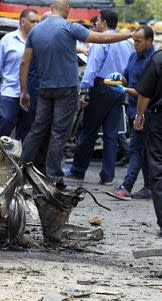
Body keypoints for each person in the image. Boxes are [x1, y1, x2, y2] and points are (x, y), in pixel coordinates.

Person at [18, 0, 132, 190]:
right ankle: (54, 177)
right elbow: (102, 39)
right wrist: (129, 34)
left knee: (38, 129)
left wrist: (23, 90)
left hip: (44, 88)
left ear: (51, 9)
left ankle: (20, 170)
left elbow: (24, 62)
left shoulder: (36, 31)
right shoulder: (70, 27)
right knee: (58, 133)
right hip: (67, 88)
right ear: (67, 10)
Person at [63, 9, 132, 186]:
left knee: (88, 132)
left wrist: (84, 90)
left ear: (104, 23)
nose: (95, 25)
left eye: (98, 21)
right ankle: (107, 176)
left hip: (102, 87)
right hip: (118, 87)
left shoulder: (100, 42)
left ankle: (77, 171)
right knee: (111, 134)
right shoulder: (126, 43)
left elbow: (92, 67)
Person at [0, 9, 39, 140]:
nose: (36, 24)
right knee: (6, 121)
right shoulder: (8, 39)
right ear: (22, 22)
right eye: (33, 21)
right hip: (11, 91)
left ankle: (20, 159)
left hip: (31, 93)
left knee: (27, 130)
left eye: (38, 21)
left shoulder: (39, 41)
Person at [111, 25, 155, 199]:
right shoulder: (133, 57)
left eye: (138, 41)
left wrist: (124, 90)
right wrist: (118, 79)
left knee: (136, 149)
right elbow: (126, 79)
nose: (135, 44)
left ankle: (126, 187)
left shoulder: (154, 61)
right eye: (134, 40)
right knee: (142, 151)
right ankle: (149, 188)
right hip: (133, 109)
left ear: (150, 41)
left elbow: (147, 92)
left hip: (146, 111)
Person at [133, 50, 162, 237]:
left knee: (158, 168)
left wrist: (139, 116)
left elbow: (144, 93)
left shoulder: (158, 59)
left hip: (159, 119)